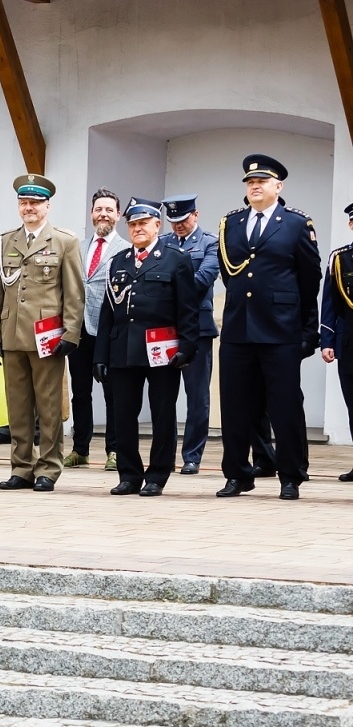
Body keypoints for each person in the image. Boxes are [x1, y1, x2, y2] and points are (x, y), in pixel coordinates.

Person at [215, 154, 322, 500]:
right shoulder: (231, 223)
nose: (255, 186)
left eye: (262, 181)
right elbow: (229, 273)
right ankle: (237, 474)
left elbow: (309, 279)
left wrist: (308, 329)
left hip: (280, 330)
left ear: (279, 186)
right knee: (235, 407)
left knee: (284, 406)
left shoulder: (295, 224)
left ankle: (290, 475)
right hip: (238, 329)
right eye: (250, 182)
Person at [94, 199, 203, 497]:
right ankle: (129, 475)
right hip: (123, 349)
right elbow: (108, 312)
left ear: (157, 225)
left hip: (162, 352)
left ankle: (157, 475)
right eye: (132, 224)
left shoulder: (175, 259)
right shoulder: (118, 261)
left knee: (162, 415)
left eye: (143, 223)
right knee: (123, 416)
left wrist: (187, 347)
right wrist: (100, 355)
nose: (137, 229)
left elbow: (188, 309)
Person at [0, 174, 84, 493]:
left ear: (47, 206)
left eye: (35, 203)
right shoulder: (6, 241)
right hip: (12, 333)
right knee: (17, 407)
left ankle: (49, 468)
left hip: (48, 337)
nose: (29, 208)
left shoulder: (64, 241)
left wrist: (71, 333)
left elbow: (74, 292)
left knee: (49, 406)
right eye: (24, 202)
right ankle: (22, 467)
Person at [158, 194, 222, 474]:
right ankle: (164, 454)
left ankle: (192, 455)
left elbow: (203, 279)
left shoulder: (210, 243)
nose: (178, 226)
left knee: (197, 396)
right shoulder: (163, 243)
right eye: (173, 221)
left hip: (197, 328)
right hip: (165, 327)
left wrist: (165, 288)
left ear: (195, 215)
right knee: (163, 395)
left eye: (183, 220)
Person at [65, 190, 127, 470]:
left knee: (113, 393)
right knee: (80, 392)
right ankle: (80, 449)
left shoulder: (125, 249)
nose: (103, 214)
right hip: (79, 330)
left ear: (118, 215)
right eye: (99, 209)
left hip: (109, 331)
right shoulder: (77, 247)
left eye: (109, 210)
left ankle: (115, 450)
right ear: (91, 213)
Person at [320, 202, 353, 481]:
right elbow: (330, 304)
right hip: (349, 342)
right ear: (351, 225)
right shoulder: (340, 259)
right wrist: (327, 340)